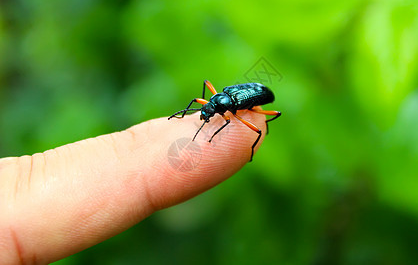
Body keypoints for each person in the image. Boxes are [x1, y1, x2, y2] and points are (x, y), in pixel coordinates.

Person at [0, 111, 267, 264]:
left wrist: (210, 136)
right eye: (206, 111)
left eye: (210, 113)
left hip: (247, 102)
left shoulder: (231, 112)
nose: (207, 115)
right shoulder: (216, 102)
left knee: (251, 129)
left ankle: (250, 144)